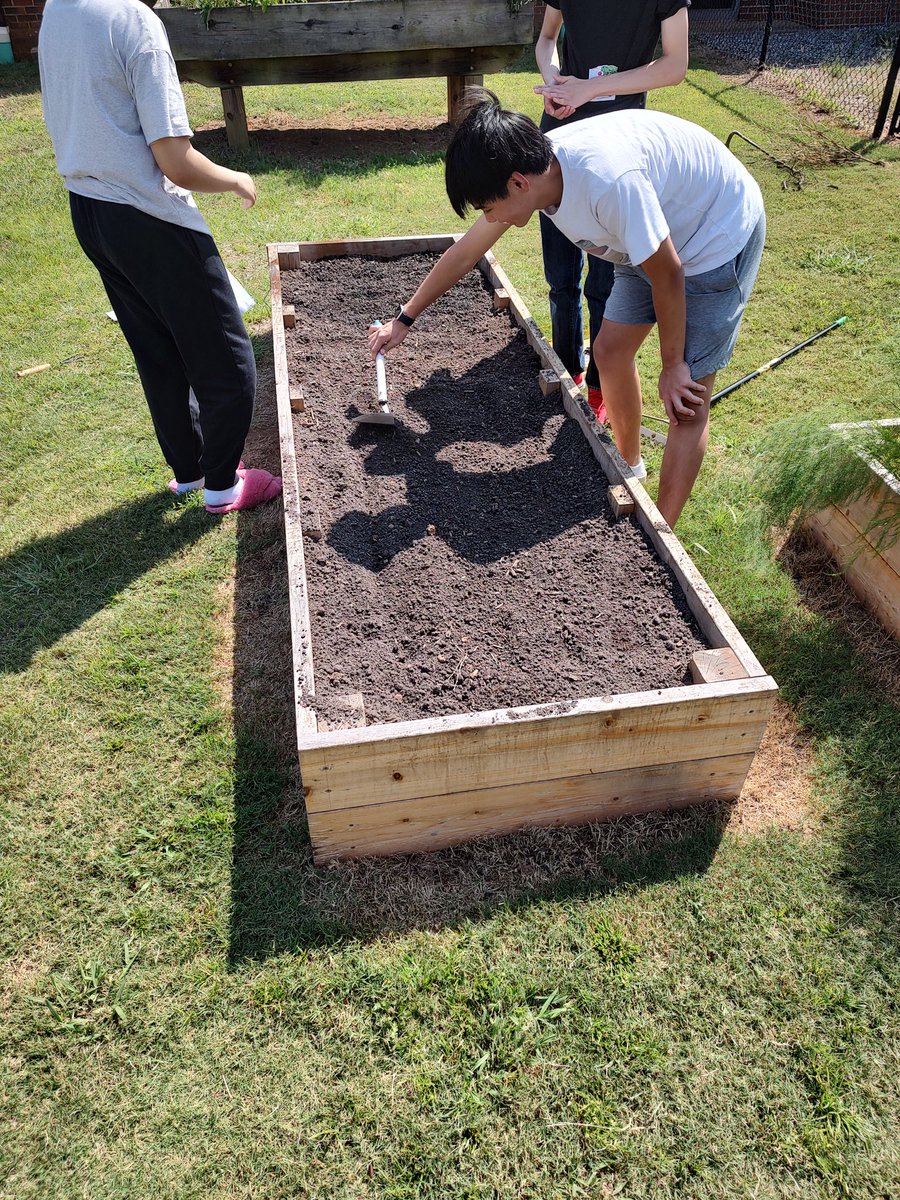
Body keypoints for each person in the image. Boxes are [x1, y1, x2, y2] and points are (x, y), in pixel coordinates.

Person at [368, 91, 765, 529]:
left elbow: (669, 273)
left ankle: (660, 537)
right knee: (611, 352)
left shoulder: (607, 182)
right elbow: (465, 253)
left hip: (714, 236)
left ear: (518, 182)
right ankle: (630, 469)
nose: (492, 218)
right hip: (645, 239)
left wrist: (673, 364)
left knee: (687, 398)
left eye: (489, 207)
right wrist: (404, 319)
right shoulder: (541, 174)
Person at [38, 0, 281, 515]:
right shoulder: (134, 22)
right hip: (149, 216)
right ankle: (222, 486)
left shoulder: (58, 10)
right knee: (227, 355)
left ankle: (191, 473)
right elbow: (175, 159)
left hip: (90, 211)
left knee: (158, 349)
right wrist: (237, 179)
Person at [534, 1, 690, 422]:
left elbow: (675, 65)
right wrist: (554, 81)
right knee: (560, 278)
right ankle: (567, 369)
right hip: (558, 144)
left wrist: (589, 88)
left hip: (618, 152)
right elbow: (547, 38)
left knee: (605, 283)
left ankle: (601, 386)